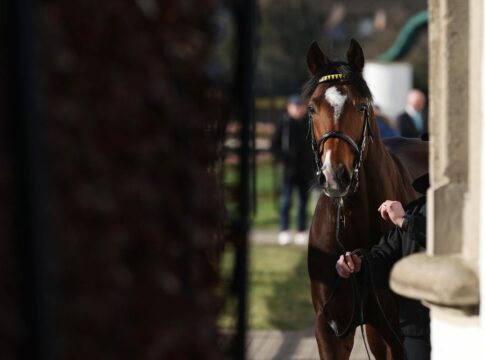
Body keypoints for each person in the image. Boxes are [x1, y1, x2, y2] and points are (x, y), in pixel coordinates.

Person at [335, 173, 430, 360]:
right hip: (418, 331)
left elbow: (448, 239)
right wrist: (357, 264)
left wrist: (405, 222)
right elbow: (384, 257)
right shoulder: (416, 210)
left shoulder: (472, 212)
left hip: (460, 327)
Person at [271, 94, 315, 245]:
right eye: (294, 106)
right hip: (289, 171)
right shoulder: (283, 123)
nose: (297, 109)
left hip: (306, 171)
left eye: (299, 106)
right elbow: (274, 146)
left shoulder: (310, 123)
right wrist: (283, 159)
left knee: (303, 203)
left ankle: (301, 231)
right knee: (286, 202)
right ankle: (284, 230)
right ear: (289, 108)